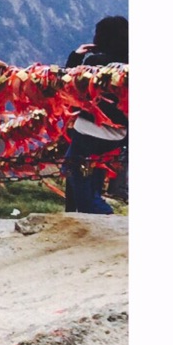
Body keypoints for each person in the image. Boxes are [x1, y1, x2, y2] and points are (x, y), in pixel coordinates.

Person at [61, 16, 127, 213]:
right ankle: (95, 211)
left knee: (80, 183)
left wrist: (76, 56)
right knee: (95, 175)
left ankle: (105, 217)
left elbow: (69, 84)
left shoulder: (96, 63)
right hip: (118, 136)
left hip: (89, 130)